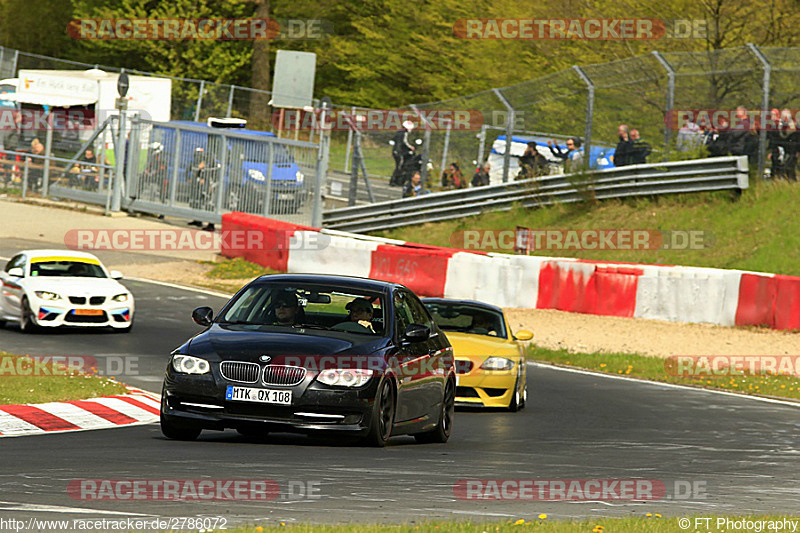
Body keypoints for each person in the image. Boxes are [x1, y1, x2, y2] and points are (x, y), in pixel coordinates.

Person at [390, 120, 415, 186]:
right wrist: (410, 147)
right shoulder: (404, 133)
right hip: (399, 151)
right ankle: (394, 181)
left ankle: (396, 180)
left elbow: (394, 140)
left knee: (399, 166)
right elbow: (404, 142)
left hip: (396, 151)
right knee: (400, 166)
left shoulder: (398, 132)